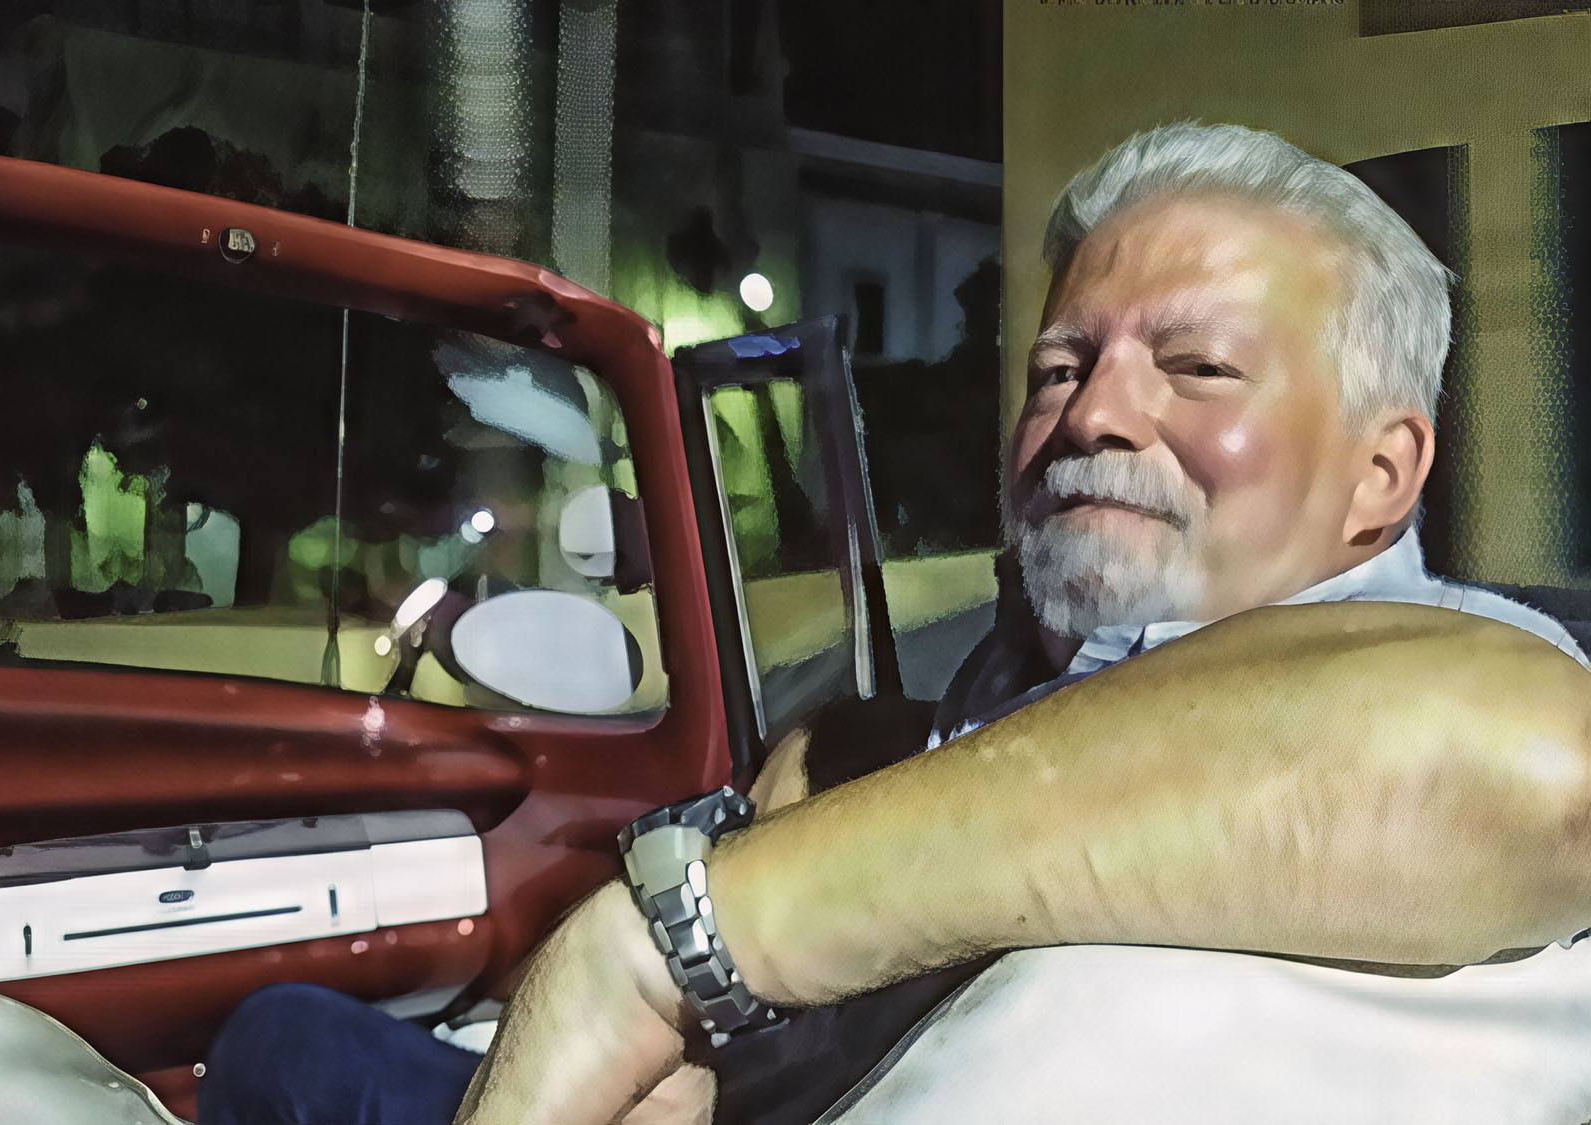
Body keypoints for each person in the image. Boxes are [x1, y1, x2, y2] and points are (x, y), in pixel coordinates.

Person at [452, 122, 1591, 1123]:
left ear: (1380, 475)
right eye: (1058, 368)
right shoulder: (918, 728)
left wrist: (670, 944)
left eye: (1199, 367)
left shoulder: (1474, 672)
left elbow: (1531, 770)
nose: (1092, 414)